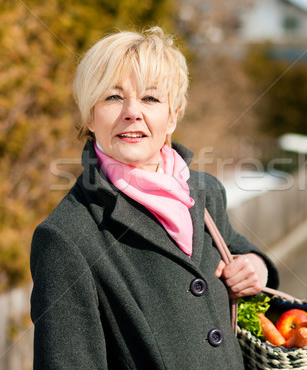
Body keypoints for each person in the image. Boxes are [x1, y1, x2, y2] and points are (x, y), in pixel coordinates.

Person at [30, 27, 280, 369]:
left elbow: (237, 251)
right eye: (113, 97)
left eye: (150, 98)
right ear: (89, 115)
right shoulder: (66, 236)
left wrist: (257, 268)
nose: (133, 112)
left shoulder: (206, 193)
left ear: (173, 115)